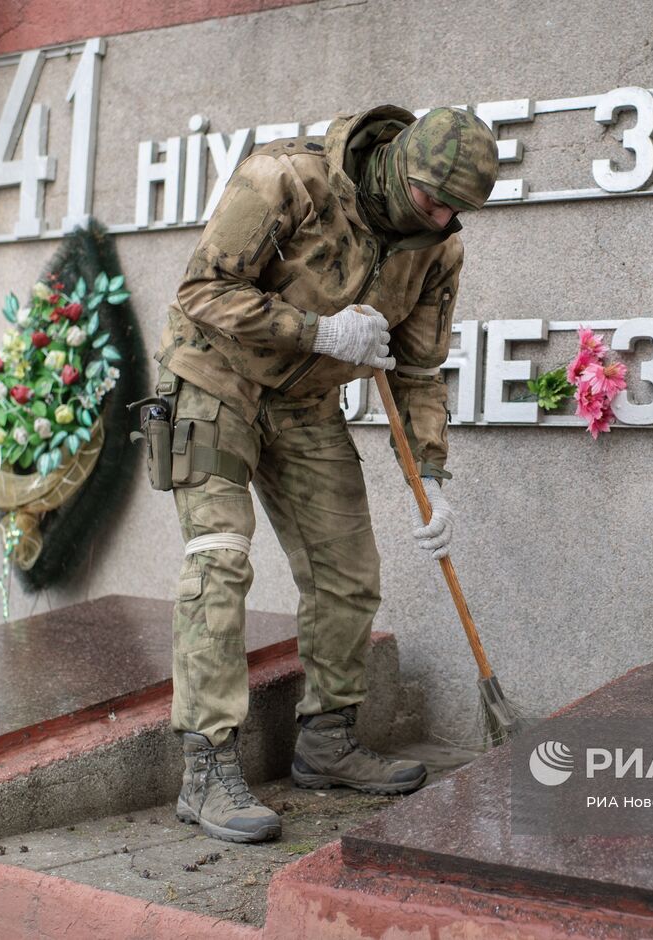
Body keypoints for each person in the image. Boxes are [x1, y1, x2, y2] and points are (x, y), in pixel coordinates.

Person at [148, 105, 499, 844]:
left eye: (456, 209)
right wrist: (319, 330)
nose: (438, 217)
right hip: (216, 381)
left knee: (349, 570)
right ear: (400, 162)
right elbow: (202, 292)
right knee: (219, 558)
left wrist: (432, 473)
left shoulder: (438, 248)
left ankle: (327, 740)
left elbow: (420, 366)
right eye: (432, 197)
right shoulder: (287, 179)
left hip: (307, 404)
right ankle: (207, 769)